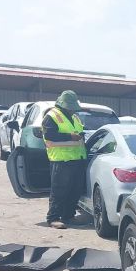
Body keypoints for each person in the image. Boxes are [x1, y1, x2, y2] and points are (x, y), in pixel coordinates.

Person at [42, 90, 87, 229]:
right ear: (63, 105)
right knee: (59, 191)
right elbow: (49, 136)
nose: (73, 110)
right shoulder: (51, 116)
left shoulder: (75, 117)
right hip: (61, 160)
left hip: (77, 159)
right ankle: (53, 218)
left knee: (74, 190)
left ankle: (68, 216)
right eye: (71, 107)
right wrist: (70, 136)